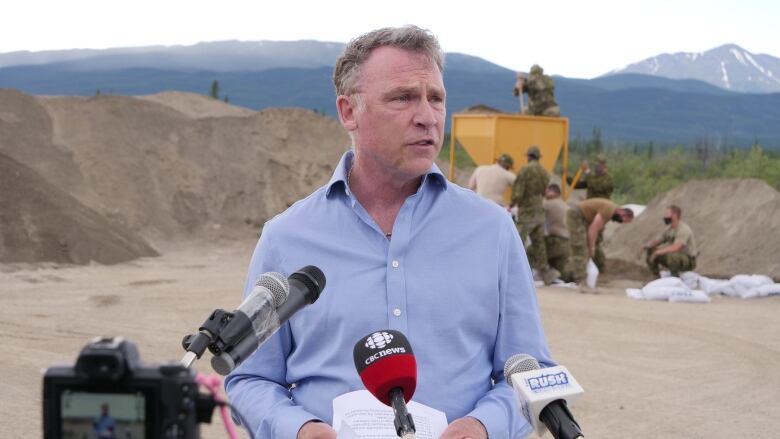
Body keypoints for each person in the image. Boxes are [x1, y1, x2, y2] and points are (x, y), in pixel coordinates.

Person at [225, 25, 553, 439]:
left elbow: (531, 372)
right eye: (403, 98)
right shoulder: (285, 238)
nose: (427, 116)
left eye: (436, 98)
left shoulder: (493, 231)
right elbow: (250, 378)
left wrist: (483, 427)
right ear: (349, 112)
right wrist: (299, 429)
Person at [511, 145, 558, 285]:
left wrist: (513, 203)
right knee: (539, 245)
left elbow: (518, 191)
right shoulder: (544, 172)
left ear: (528, 156)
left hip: (527, 213)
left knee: (518, 240)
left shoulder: (525, 170)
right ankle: (546, 274)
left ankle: (514, 272)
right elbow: (545, 191)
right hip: (539, 212)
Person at [567, 198, 634, 286]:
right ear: (623, 213)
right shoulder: (609, 210)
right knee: (579, 246)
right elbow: (593, 230)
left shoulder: (612, 210)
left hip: (582, 217)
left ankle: (577, 276)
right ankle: (579, 279)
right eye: (622, 220)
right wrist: (592, 248)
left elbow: (594, 228)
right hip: (576, 214)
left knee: (583, 247)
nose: (620, 222)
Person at [566, 153, 613, 272]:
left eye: (599, 166)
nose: (597, 168)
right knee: (585, 240)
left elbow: (596, 186)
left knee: (595, 241)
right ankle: (588, 266)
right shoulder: (592, 177)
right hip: (589, 213)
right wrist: (566, 176)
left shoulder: (607, 179)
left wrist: (587, 172)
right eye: (595, 166)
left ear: (604, 166)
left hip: (601, 214)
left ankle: (601, 267)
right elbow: (578, 185)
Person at [643, 205, 697, 277]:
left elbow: (676, 247)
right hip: (676, 257)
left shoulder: (683, 229)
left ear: (674, 215)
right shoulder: (669, 229)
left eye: (667, 214)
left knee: (671, 255)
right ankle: (656, 276)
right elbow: (659, 240)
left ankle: (675, 277)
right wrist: (649, 245)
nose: (665, 217)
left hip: (688, 260)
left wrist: (658, 252)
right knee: (651, 250)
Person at [542, 184, 570, 276]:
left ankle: (543, 273)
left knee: (532, 251)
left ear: (552, 192)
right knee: (561, 271)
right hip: (568, 242)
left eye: (547, 191)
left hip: (556, 241)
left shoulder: (548, 204)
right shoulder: (564, 204)